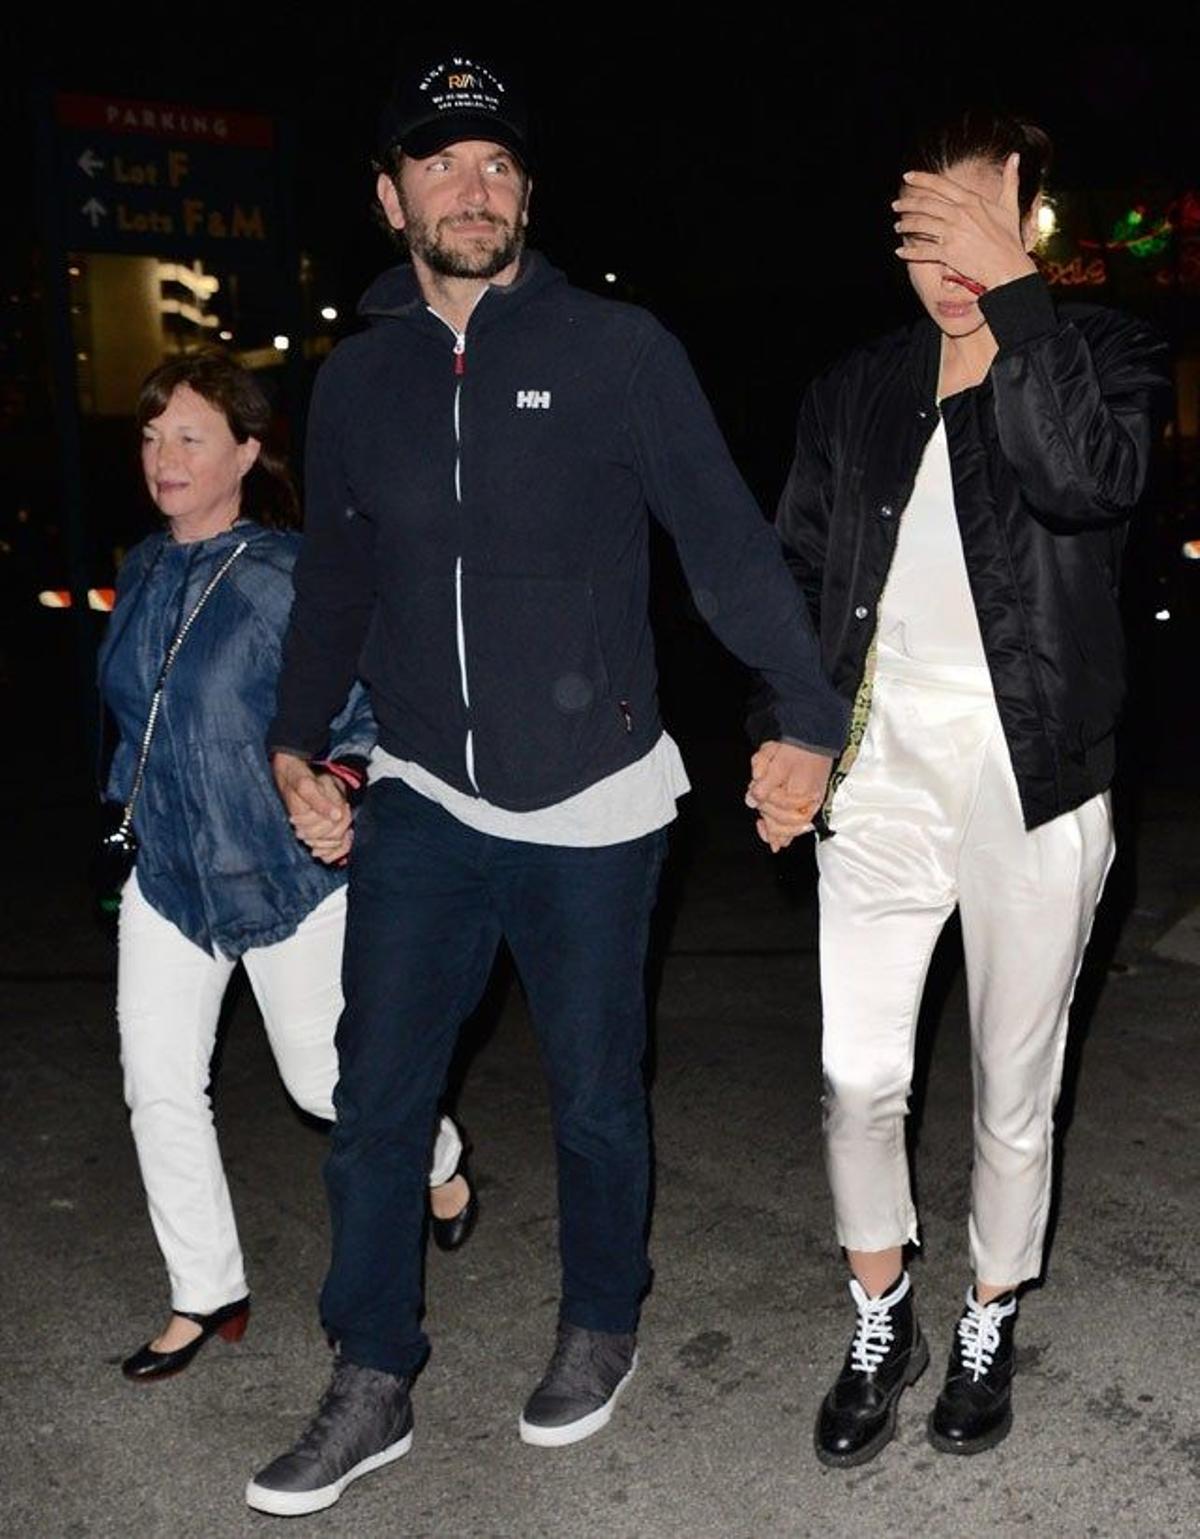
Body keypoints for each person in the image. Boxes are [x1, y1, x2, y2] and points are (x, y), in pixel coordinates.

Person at [244, 51, 848, 1517]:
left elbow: (722, 543)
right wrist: (294, 734)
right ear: (392, 197)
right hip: (423, 797)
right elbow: (335, 579)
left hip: (595, 802)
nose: (475, 188)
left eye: (498, 164)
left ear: (527, 194)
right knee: (375, 1093)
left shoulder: (616, 349)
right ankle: (370, 1370)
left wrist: (808, 712)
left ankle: (601, 1318)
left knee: (592, 1097)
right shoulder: (358, 380)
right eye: (442, 165)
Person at [750, 110, 1169, 1465]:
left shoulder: (1102, 352)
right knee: (855, 1070)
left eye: (979, 225)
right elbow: (798, 575)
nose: (948, 260)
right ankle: (884, 1313)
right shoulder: (857, 385)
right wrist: (788, 730)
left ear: (1032, 228)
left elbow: (1081, 482)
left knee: (1011, 1082)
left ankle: (989, 1307)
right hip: (883, 769)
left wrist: (1023, 307)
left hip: (1038, 772)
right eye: (925, 230)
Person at [99, 352, 477, 1385]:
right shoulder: (138, 569)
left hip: (284, 876)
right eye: (150, 436)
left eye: (189, 438)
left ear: (248, 452)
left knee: (326, 1084)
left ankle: (440, 1158)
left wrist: (338, 795)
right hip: (171, 873)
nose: (163, 458)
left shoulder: (288, 574)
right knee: (160, 1085)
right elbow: (142, 717)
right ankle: (203, 1290)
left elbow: (361, 716)